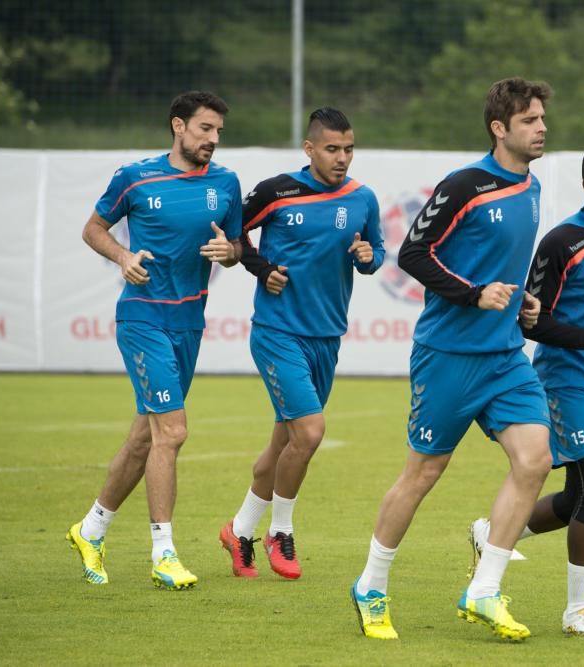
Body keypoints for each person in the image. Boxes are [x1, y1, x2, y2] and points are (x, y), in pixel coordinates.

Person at [350, 78, 554, 642]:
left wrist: (521, 297)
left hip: (504, 357)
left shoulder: (532, 186)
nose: (542, 128)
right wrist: (473, 293)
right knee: (424, 472)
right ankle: (371, 584)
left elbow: (505, 265)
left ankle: (484, 590)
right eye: (530, 120)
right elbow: (414, 252)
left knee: (535, 459)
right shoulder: (465, 184)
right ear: (500, 128)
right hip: (448, 356)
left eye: (542, 119)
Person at [471, 142, 584, 637]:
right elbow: (532, 321)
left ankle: (492, 536)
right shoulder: (562, 243)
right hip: (565, 380)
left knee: (578, 495)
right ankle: (579, 610)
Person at [66, 91, 243, 590]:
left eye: (218, 133)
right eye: (205, 129)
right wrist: (123, 258)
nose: (213, 140)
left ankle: (90, 529)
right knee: (173, 432)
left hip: (189, 324)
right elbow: (93, 228)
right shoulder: (135, 177)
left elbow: (236, 247)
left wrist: (226, 251)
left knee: (146, 434)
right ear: (178, 126)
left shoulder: (226, 183)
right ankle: (163, 552)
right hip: (142, 319)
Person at [218, 107, 384, 581]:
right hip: (277, 333)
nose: (342, 158)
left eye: (349, 149)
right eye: (332, 149)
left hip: (327, 337)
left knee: (283, 444)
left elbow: (377, 253)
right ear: (309, 150)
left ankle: (239, 530)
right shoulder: (277, 191)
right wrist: (262, 268)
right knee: (309, 434)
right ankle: (280, 532)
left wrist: (370, 256)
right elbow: (234, 235)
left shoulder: (362, 198)